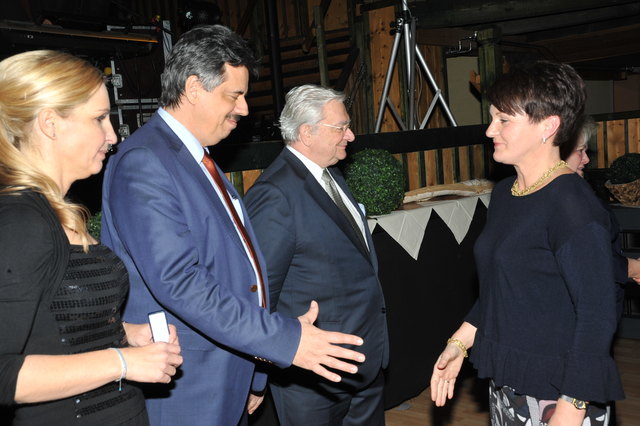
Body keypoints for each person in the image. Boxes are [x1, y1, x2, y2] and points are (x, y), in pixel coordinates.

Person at [100, 25, 366, 426]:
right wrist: (284, 340)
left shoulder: (198, 158)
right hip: (189, 385)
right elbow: (180, 283)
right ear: (194, 88)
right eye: (234, 95)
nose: (243, 109)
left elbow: (242, 272)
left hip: (229, 371)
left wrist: (257, 368)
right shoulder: (145, 162)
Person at [430, 60, 624, 426]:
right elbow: (502, 289)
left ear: (548, 126)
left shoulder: (573, 206)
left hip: (562, 388)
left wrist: (572, 404)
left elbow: (597, 312)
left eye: (504, 120)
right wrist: (459, 342)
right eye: (492, 118)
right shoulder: (506, 193)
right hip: (511, 377)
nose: (490, 130)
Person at [0, 50, 183, 426]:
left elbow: (51, 326)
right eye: (99, 118)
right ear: (50, 123)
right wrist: (121, 361)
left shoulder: (51, 209)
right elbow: (4, 374)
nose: (112, 135)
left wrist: (125, 335)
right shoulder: (20, 221)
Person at [244, 85, 389, 426]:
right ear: (307, 133)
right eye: (341, 127)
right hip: (311, 375)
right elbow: (260, 294)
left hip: (363, 359)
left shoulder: (331, 174)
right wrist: (257, 376)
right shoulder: (275, 194)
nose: (350, 136)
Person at [563, 117, 640, 286]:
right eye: (580, 151)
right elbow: (590, 257)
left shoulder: (576, 193)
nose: (586, 159)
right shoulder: (567, 200)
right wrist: (634, 268)